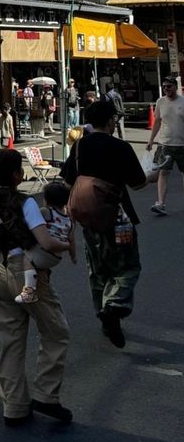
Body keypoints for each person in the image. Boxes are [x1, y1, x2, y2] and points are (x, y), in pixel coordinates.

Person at [0, 148, 72, 426]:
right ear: (17, 175)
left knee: (11, 341)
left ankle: (15, 407)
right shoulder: (26, 203)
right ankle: (46, 394)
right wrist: (66, 246)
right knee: (56, 331)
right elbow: (44, 241)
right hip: (26, 273)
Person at [61, 100, 150, 348]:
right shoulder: (120, 146)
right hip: (119, 218)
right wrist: (152, 175)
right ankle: (114, 306)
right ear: (110, 120)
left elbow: (68, 183)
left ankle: (106, 318)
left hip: (91, 219)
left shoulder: (79, 147)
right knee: (128, 266)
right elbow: (138, 182)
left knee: (98, 269)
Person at [15, 180, 76, 304]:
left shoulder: (45, 212)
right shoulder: (70, 221)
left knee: (28, 260)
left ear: (46, 201)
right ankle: (41, 274)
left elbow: (32, 223)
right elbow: (71, 240)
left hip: (45, 252)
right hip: (57, 257)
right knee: (38, 264)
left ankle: (29, 291)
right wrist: (73, 256)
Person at [146, 74, 184, 215]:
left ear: (175, 87)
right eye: (164, 87)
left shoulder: (183, 102)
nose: (166, 89)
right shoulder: (160, 102)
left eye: (169, 86)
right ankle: (161, 203)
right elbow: (156, 122)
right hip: (164, 144)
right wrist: (151, 141)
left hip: (182, 144)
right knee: (163, 172)